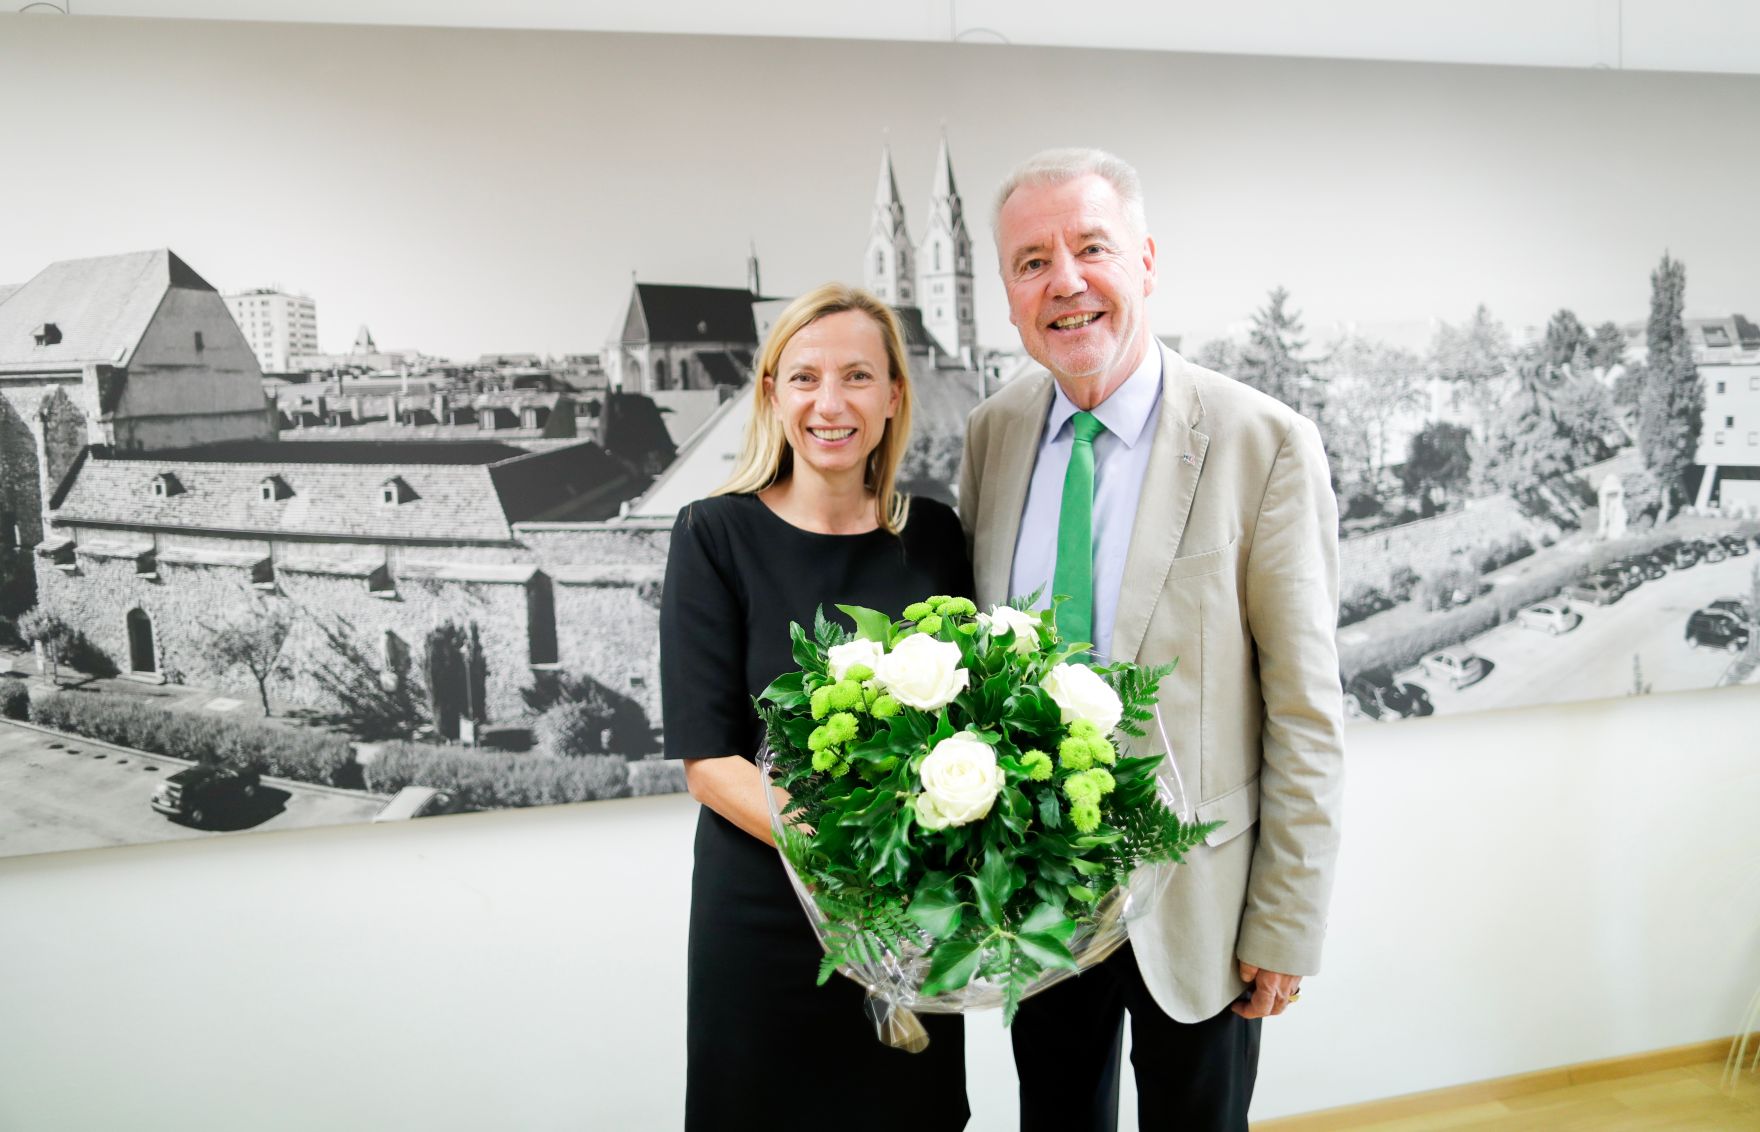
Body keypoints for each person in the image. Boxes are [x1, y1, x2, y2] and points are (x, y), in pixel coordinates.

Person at [958, 149, 1345, 1131]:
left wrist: (1286, 920)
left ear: (1144, 261)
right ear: (1007, 293)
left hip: (1200, 907)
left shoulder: (1260, 442)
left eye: (1090, 249)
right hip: (1039, 899)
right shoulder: (993, 433)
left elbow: (1304, 707)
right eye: (1030, 261)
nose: (1065, 282)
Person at [661, 283, 972, 1132]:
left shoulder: (936, 536)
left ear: (894, 396)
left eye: (858, 377)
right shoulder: (712, 535)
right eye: (803, 377)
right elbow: (709, 762)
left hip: (909, 921)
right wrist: (848, 858)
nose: (829, 404)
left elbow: (970, 728)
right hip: (762, 919)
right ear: (771, 394)